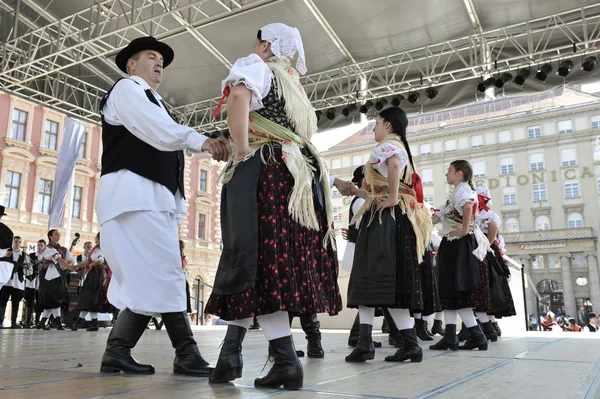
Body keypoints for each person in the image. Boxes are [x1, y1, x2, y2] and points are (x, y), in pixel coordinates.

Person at [205, 23, 342, 390]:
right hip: (294, 177)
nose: (253, 45)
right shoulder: (293, 84)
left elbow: (237, 99)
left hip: (264, 171)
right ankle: (229, 355)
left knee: (256, 259)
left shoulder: (256, 65)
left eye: (257, 40)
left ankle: (284, 360)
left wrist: (239, 150)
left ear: (266, 44)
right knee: (264, 261)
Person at [96, 36, 229, 376]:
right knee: (166, 273)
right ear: (132, 64)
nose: (159, 63)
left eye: (162, 60)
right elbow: (159, 132)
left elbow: (162, 136)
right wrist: (200, 140)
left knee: (152, 278)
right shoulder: (127, 89)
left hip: (147, 200)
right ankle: (185, 353)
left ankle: (118, 351)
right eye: (151, 57)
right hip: (133, 197)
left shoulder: (153, 100)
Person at [344, 107, 434, 363]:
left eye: (375, 124)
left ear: (386, 124)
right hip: (389, 218)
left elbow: (393, 165)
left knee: (378, 277)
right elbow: (377, 191)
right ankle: (376, 343)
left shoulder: (388, 146)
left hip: (386, 222)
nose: (373, 129)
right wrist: (353, 190)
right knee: (374, 281)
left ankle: (395, 344)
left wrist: (393, 198)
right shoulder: (399, 146)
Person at [429, 160, 491, 351]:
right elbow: (438, 217)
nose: (446, 174)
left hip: (459, 245)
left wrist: (464, 230)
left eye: (449, 171)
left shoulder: (463, 190)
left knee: (455, 290)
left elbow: (468, 208)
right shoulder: (455, 193)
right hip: (452, 243)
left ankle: (472, 337)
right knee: (450, 292)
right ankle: (454, 336)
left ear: (460, 173)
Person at [37, 229, 74, 330]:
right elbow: (58, 259)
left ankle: (43, 322)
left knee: (54, 298)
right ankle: (57, 322)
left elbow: (71, 259)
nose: (58, 235)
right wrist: (69, 267)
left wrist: (69, 265)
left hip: (56, 275)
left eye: (59, 234)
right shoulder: (48, 248)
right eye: (56, 234)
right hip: (48, 275)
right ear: (50, 237)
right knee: (54, 297)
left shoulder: (62, 249)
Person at [0, 236, 29, 328]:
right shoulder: (7, 252)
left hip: (18, 283)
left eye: (19, 242)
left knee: (16, 303)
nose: (17, 244)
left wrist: (26, 266)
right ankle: (0, 321)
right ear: (13, 242)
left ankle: (13, 323)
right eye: (16, 241)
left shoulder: (24, 255)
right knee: (2, 301)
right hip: (7, 281)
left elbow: (29, 268)